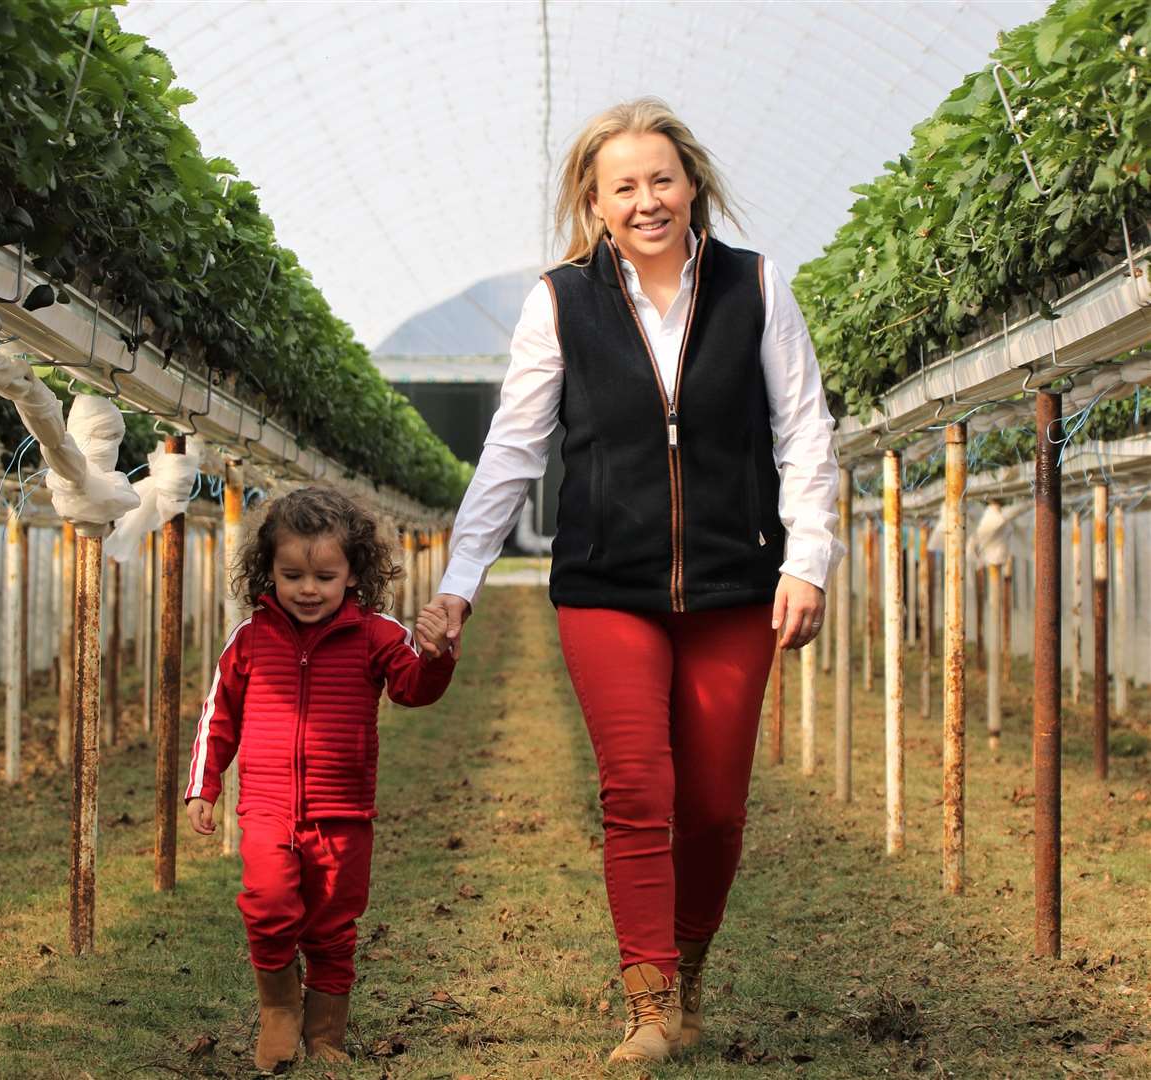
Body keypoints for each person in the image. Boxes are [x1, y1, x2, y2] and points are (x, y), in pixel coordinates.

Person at [418, 98, 843, 1064]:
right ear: (595, 203)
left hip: (737, 586)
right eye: (625, 187)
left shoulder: (757, 287)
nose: (647, 200)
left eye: (662, 180)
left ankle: (689, 965)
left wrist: (807, 559)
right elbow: (514, 450)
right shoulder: (561, 300)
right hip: (607, 585)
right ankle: (648, 1001)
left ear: (693, 187)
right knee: (638, 788)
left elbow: (804, 431)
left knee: (716, 807)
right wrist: (461, 580)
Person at [184, 486, 456, 1071]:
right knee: (267, 904)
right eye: (292, 575)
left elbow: (413, 689)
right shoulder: (251, 639)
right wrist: (204, 786)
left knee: (332, 925)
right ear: (269, 572)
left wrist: (436, 658)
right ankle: (280, 1010)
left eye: (325, 577)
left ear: (354, 573)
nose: (309, 590)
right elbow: (219, 714)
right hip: (266, 807)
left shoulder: (377, 634)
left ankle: (325, 1032)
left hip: (345, 814)